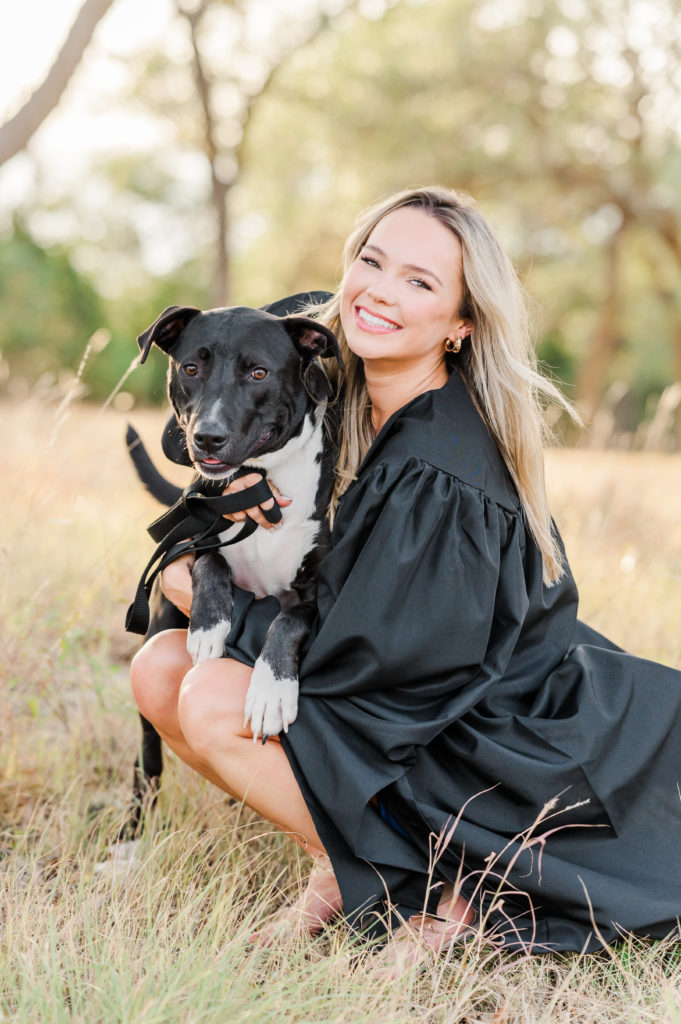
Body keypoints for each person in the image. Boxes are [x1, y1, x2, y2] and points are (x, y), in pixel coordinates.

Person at [131, 186, 681, 966]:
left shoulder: (438, 463)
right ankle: (339, 862)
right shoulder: (335, 375)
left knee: (213, 696)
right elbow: (197, 418)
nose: (380, 290)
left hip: (480, 729)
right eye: (372, 260)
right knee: (159, 670)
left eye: (420, 282)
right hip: (410, 698)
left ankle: (438, 888)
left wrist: (215, 605)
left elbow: (382, 665)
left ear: (460, 324)